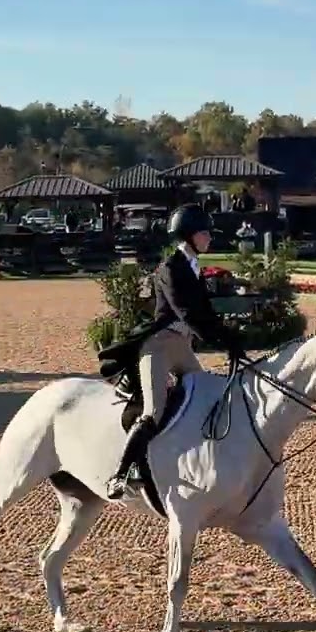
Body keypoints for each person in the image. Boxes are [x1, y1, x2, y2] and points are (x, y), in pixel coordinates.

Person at [105, 203, 247, 500]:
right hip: (158, 346)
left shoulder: (194, 269)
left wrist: (231, 338)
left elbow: (206, 312)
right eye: (205, 233)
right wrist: (218, 339)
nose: (210, 238)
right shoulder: (169, 268)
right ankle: (121, 474)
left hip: (181, 347)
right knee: (154, 411)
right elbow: (185, 313)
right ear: (190, 236)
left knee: (205, 399)